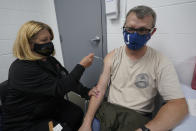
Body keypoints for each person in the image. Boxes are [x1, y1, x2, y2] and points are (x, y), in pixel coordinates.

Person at [79, 5, 188, 131]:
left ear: (152, 32)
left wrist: (145, 130)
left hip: (137, 117)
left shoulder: (161, 62)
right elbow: (100, 90)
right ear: (124, 27)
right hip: (109, 111)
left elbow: (178, 104)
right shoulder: (112, 56)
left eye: (142, 30)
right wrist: (86, 123)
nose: (134, 34)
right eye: (130, 29)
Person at [2, 20, 99, 131]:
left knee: (76, 113)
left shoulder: (48, 59)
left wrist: (85, 92)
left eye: (50, 39)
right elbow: (60, 88)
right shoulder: (21, 69)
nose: (49, 43)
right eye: (44, 40)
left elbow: (65, 78)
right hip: (27, 121)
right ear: (28, 43)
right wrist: (81, 66)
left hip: (46, 106)